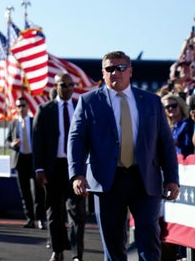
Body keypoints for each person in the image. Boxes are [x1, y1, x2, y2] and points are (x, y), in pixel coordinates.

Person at [69, 51, 179, 261]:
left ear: (130, 71)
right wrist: (77, 174)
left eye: (120, 68)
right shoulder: (88, 101)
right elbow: (76, 139)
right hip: (107, 181)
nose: (115, 73)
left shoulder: (151, 102)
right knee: (113, 244)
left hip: (145, 179)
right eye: (109, 69)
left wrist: (172, 178)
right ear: (103, 72)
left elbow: (165, 143)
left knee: (149, 238)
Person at [33, 73, 86, 261]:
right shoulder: (45, 110)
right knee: (54, 213)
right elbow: (37, 142)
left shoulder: (81, 108)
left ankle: (77, 254)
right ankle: (58, 250)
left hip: (76, 169)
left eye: (71, 85)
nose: (69, 88)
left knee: (77, 213)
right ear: (55, 87)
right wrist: (39, 169)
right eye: (64, 85)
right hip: (53, 169)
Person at [6, 98, 46, 229]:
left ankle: (40, 219)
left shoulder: (35, 121)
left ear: (28, 107)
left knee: (38, 192)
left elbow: (41, 140)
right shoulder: (13, 124)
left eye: (23, 105)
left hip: (33, 160)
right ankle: (30, 219)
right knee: (25, 193)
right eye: (18, 106)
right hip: (20, 160)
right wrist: (12, 144)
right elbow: (6, 141)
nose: (21, 108)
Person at [162, 93, 194, 157]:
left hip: (186, 163)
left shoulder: (187, 123)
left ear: (180, 106)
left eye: (174, 105)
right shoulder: (168, 125)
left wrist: (175, 142)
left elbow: (189, 145)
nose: (170, 108)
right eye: (167, 107)